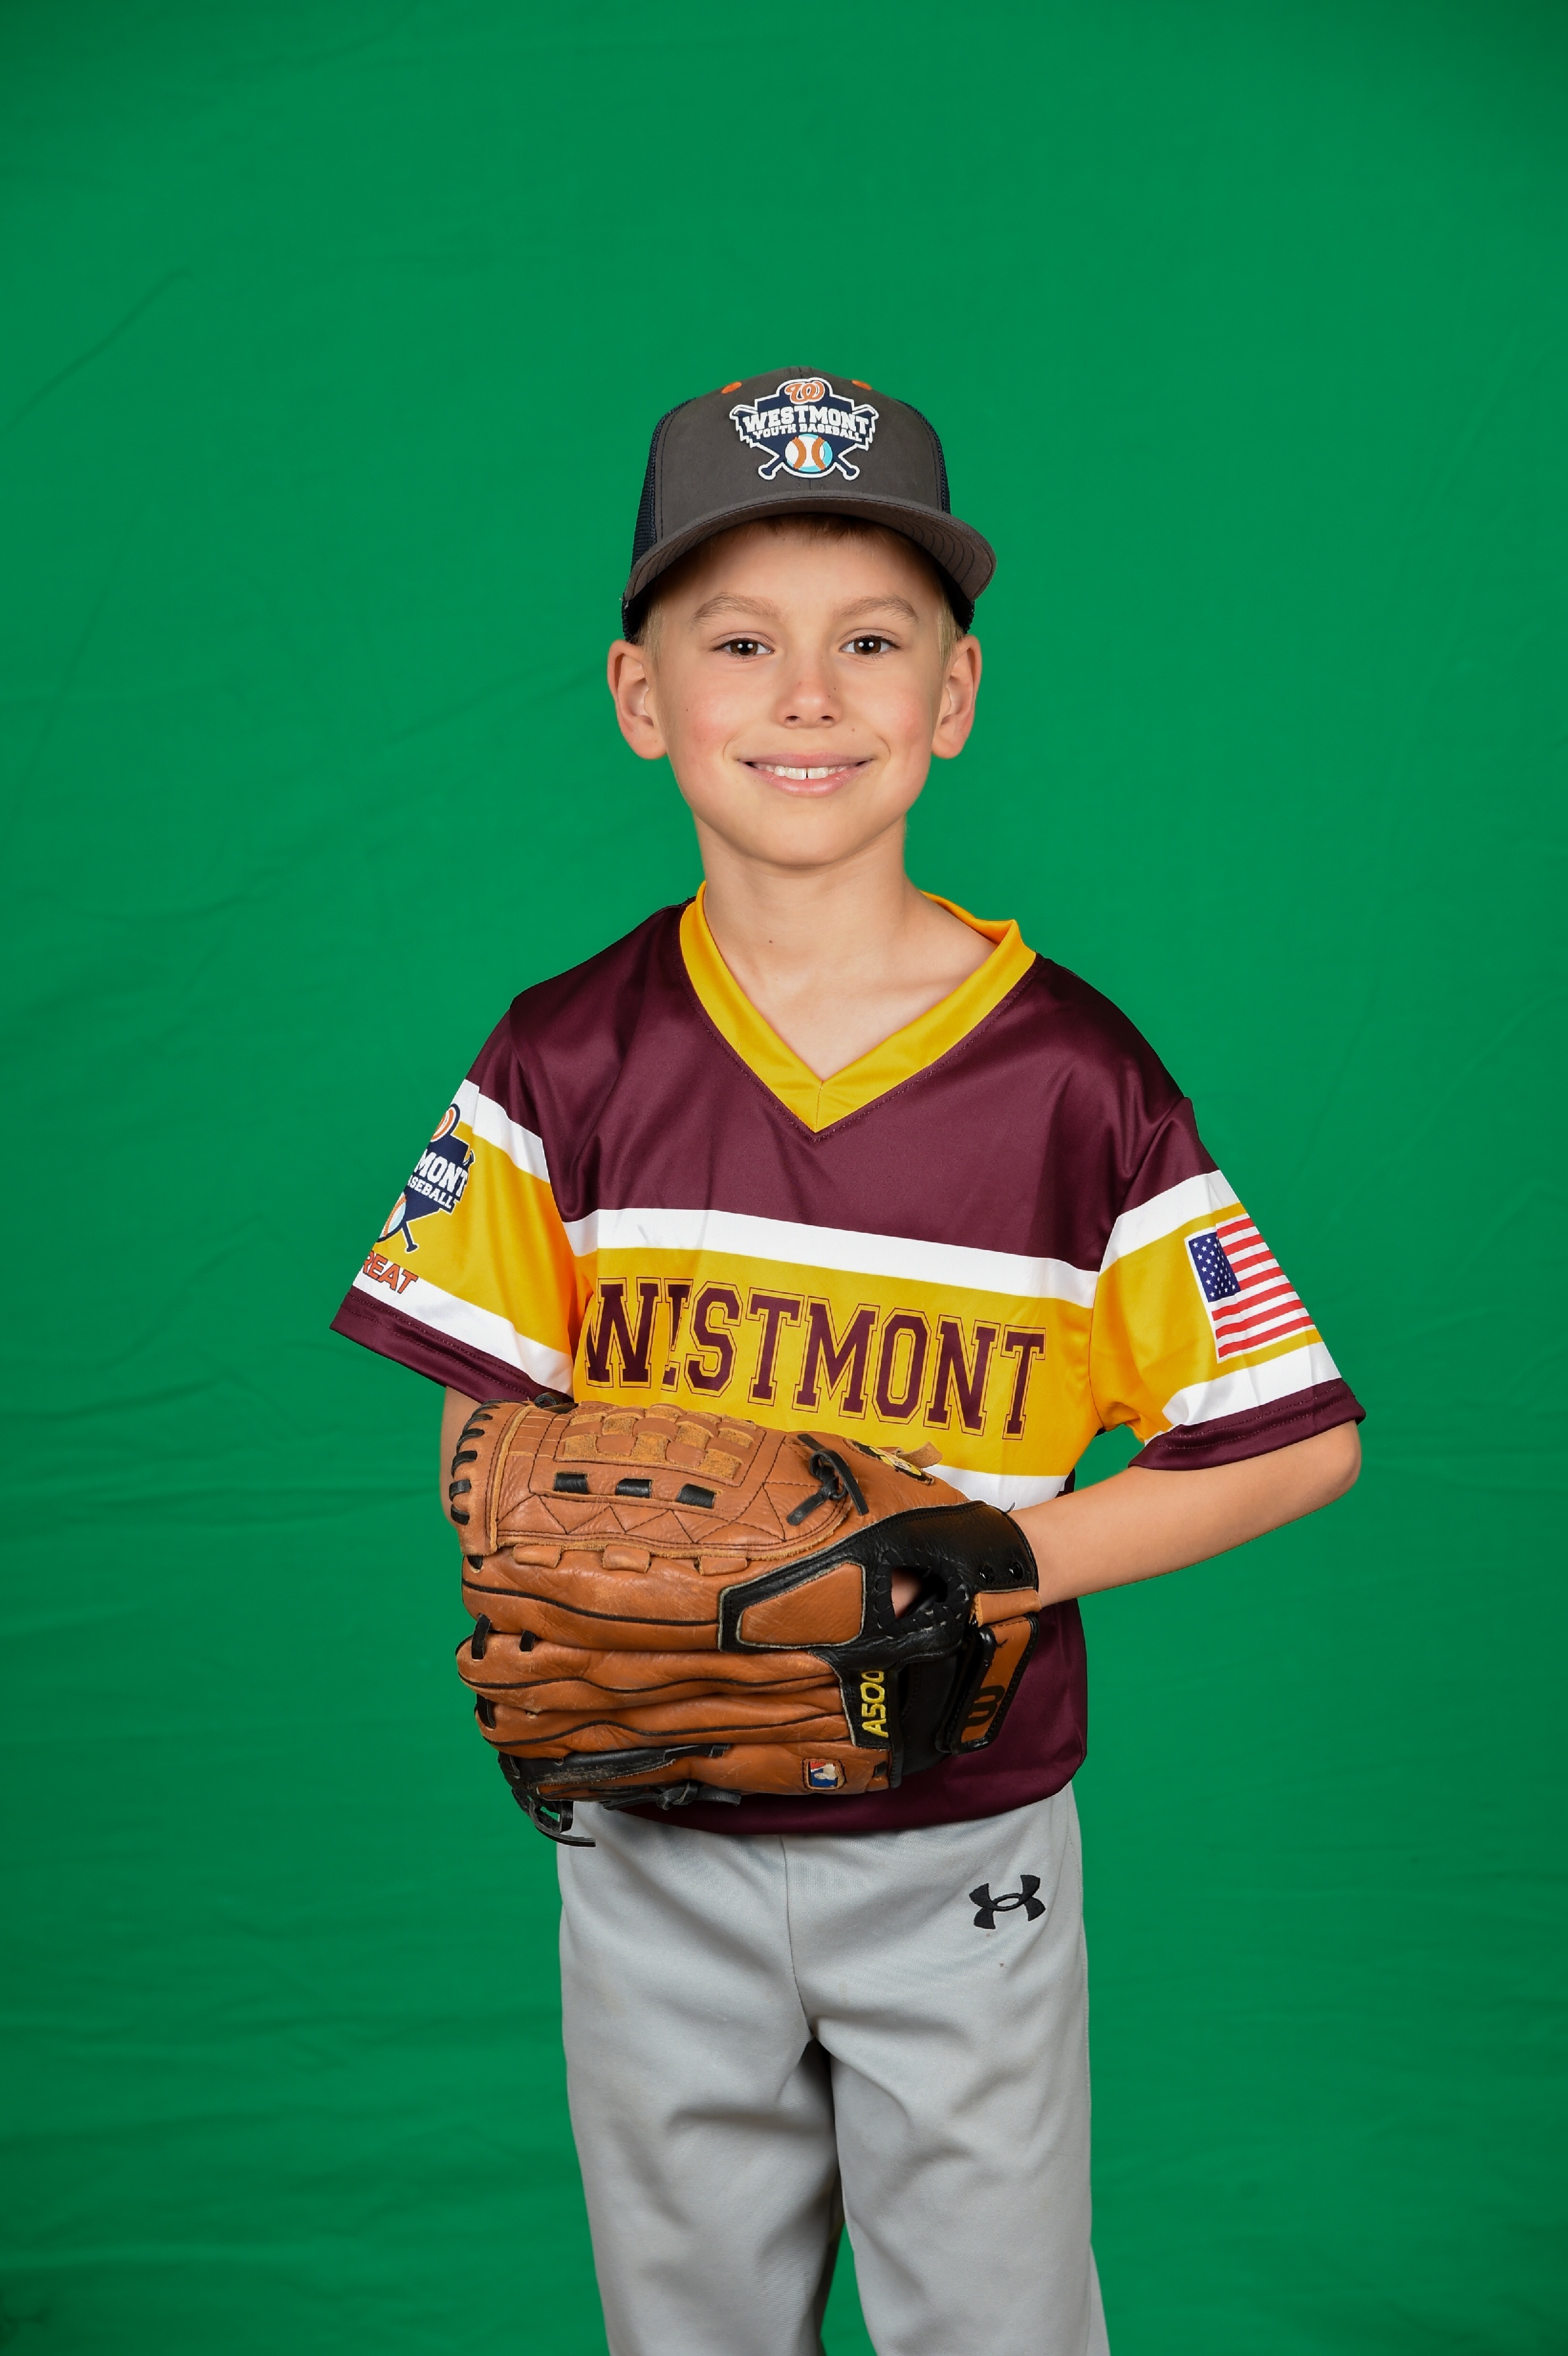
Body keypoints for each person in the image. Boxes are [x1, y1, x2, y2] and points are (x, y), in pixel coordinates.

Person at [332, 370, 1363, 2356]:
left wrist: (995, 1559)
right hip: (653, 1825)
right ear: (640, 696)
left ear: (952, 695)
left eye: (870, 643)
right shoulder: (562, 1055)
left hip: (960, 1828)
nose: (805, 697)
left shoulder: (1071, 1077)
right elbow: (490, 1432)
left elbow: (1289, 1443)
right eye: (739, 643)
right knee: (686, 2324)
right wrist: (540, 1618)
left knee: (995, 2323)